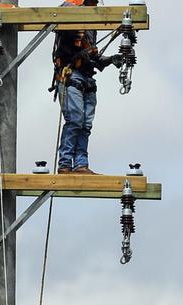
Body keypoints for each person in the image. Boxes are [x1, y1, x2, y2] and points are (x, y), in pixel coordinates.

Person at [53, 0, 123, 174]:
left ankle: (81, 164)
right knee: (75, 119)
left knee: (85, 125)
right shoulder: (70, 10)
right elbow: (63, 12)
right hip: (71, 75)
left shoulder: (91, 24)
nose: (96, 4)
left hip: (86, 78)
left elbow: (91, 56)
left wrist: (109, 60)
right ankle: (65, 164)